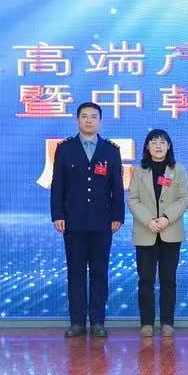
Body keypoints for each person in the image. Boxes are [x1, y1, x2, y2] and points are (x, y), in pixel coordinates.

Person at [50, 101, 124, 338]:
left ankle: (98, 321)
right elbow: (58, 186)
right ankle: (78, 322)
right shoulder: (65, 148)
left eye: (93, 116)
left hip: (103, 222)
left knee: (100, 273)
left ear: (100, 121)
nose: (89, 120)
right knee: (76, 273)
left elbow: (117, 187)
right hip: (73, 221)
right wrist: (58, 215)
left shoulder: (110, 150)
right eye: (84, 116)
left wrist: (117, 216)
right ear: (77, 120)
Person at [127, 129, 188, 338]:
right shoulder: (138, 171)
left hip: (170, 231)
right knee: (145, 279)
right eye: (153, 142)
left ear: (169, 146)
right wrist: (149, 221)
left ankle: (167, 322)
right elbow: (133, 199)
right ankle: (146, 322)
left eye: (162, 142)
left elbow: (183, 198)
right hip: (145, 232)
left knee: (168, 279)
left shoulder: (177, 170)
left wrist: (166, 218)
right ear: (147, 147)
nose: (158, 146)